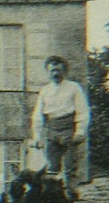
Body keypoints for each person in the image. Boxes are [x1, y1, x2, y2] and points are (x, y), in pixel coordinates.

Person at [30, 55, 92, 192]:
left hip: (69, 130)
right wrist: (37, 136)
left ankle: (72, 199)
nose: (55, 73)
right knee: (52, 168)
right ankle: (53, 198)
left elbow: (83, 110)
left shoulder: (73, 87)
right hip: (52, 130)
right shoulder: (45, 91)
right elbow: (38, 115)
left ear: (64, 71)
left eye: (58, 70)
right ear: (48, 72)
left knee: (70, 168)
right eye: (52, 71)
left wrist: (80, 131)